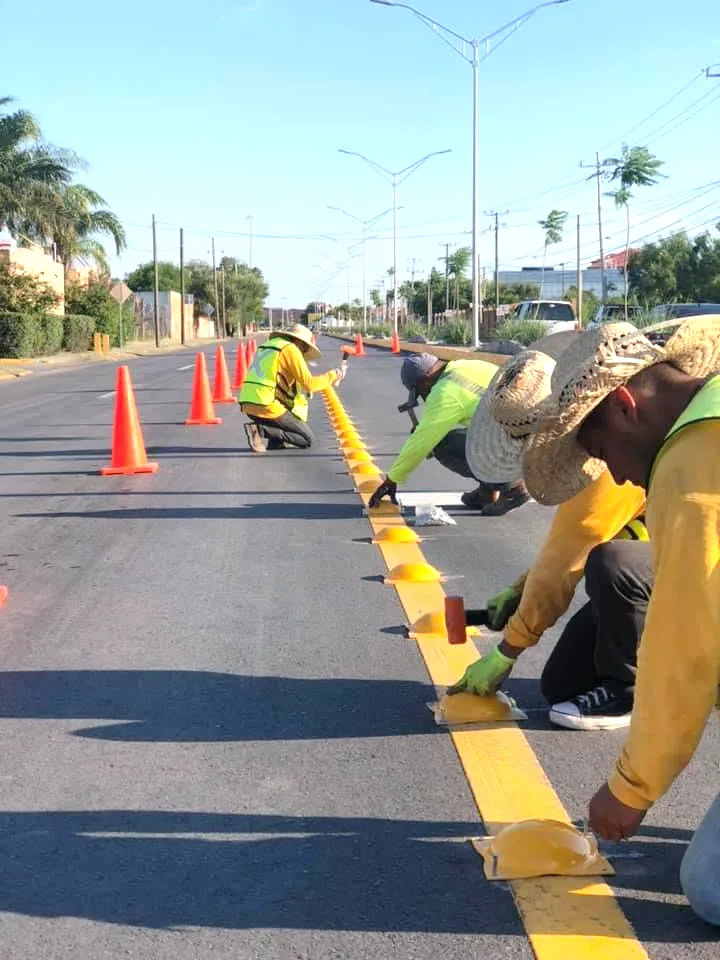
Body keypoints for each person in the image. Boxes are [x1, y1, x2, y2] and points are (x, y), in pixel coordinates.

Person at [520, 317, 720, 925]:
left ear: (625, 404)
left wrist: (630, 790)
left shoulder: (691, 471)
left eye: (602, 452)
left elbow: (685, 650)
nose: (621, 478)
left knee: (710, 891)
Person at [448, 347, 649, 730]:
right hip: (668, 564)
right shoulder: (598, 433)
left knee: (612, 564)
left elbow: (569, 556)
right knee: (564, 685)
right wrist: (521, 589)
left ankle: (629, 692)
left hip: (699, 569)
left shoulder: (606, 455)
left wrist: (506, 652)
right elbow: (569, 545)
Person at [368, 352, 530, 514]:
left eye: (420, 393)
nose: (425, 397)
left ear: (424, 382)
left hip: (517, 445)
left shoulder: (444, 392)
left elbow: (422, 442)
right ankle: (487, 490)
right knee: (473, 434)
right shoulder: (464, 366)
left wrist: (392, 480)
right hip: (531, 434)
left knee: (444, 445)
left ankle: (512, 489)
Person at [239, 324, 346, 452]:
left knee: (284, 407)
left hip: (247, 402)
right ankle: (260, 430)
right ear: (298, 341)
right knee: (307, 439)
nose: (304, 352)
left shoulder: (269, 346)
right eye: (305, 347)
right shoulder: (290, 349)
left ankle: (276, 441)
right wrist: (335, 374)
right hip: (266, 404)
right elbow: (310, 384)